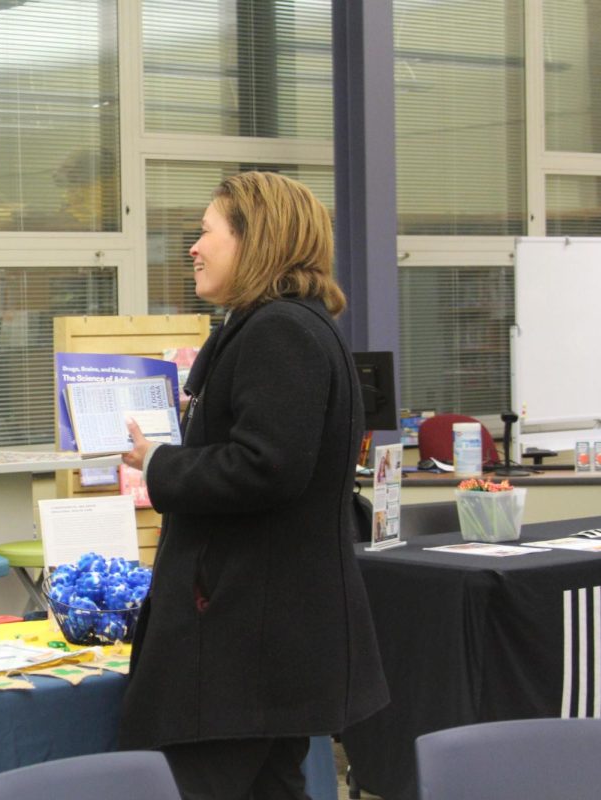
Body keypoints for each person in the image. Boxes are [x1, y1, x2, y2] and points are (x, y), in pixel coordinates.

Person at [117, 172, 389, 799]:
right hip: (266, 647)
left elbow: (267, 466)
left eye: (206, 231)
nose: (192, 247)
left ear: (254, 239)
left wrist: (159, 465)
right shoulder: (290, 327)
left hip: (241, 649)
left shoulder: (279, 332)